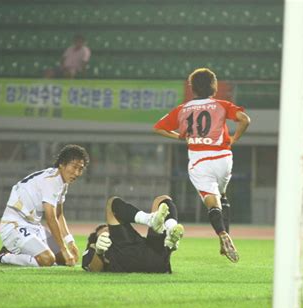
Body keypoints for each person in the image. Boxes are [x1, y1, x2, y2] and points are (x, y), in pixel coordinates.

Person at [153, 68, 251, 263]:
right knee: (222, 196)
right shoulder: (221, 104)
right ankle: (225, 240)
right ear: (213, 87)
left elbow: (158, 127)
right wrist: (233, 138)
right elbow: (245, 120)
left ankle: (222, 234)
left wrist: (180, 137)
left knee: (211, 202)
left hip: (199, 160)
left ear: (193, 89)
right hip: (223, 158)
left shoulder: (183, 109)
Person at [0, 144, 90, 267]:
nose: (76, 173)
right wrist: (64, 250)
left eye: (80, 169)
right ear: (62, 164)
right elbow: (51, 218)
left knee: (64, 260)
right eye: (74, 167)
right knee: (47, 259)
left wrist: (70, 242)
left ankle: (15, 250)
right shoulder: (52, 181)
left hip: (33, 227)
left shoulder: (62, 182)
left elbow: (59, 215)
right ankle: (4, 257)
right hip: (14, 225)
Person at [82, 195, 184, 273]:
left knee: (162, 200)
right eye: (105, 229)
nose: (109, 229)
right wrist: (98, 252)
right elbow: (92, 269)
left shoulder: (132, 237)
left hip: (157, 260)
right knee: (111, 203)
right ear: (95, 237)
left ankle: (171, 230)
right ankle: (150, 220)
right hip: (126, 258)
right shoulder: (94, 246)